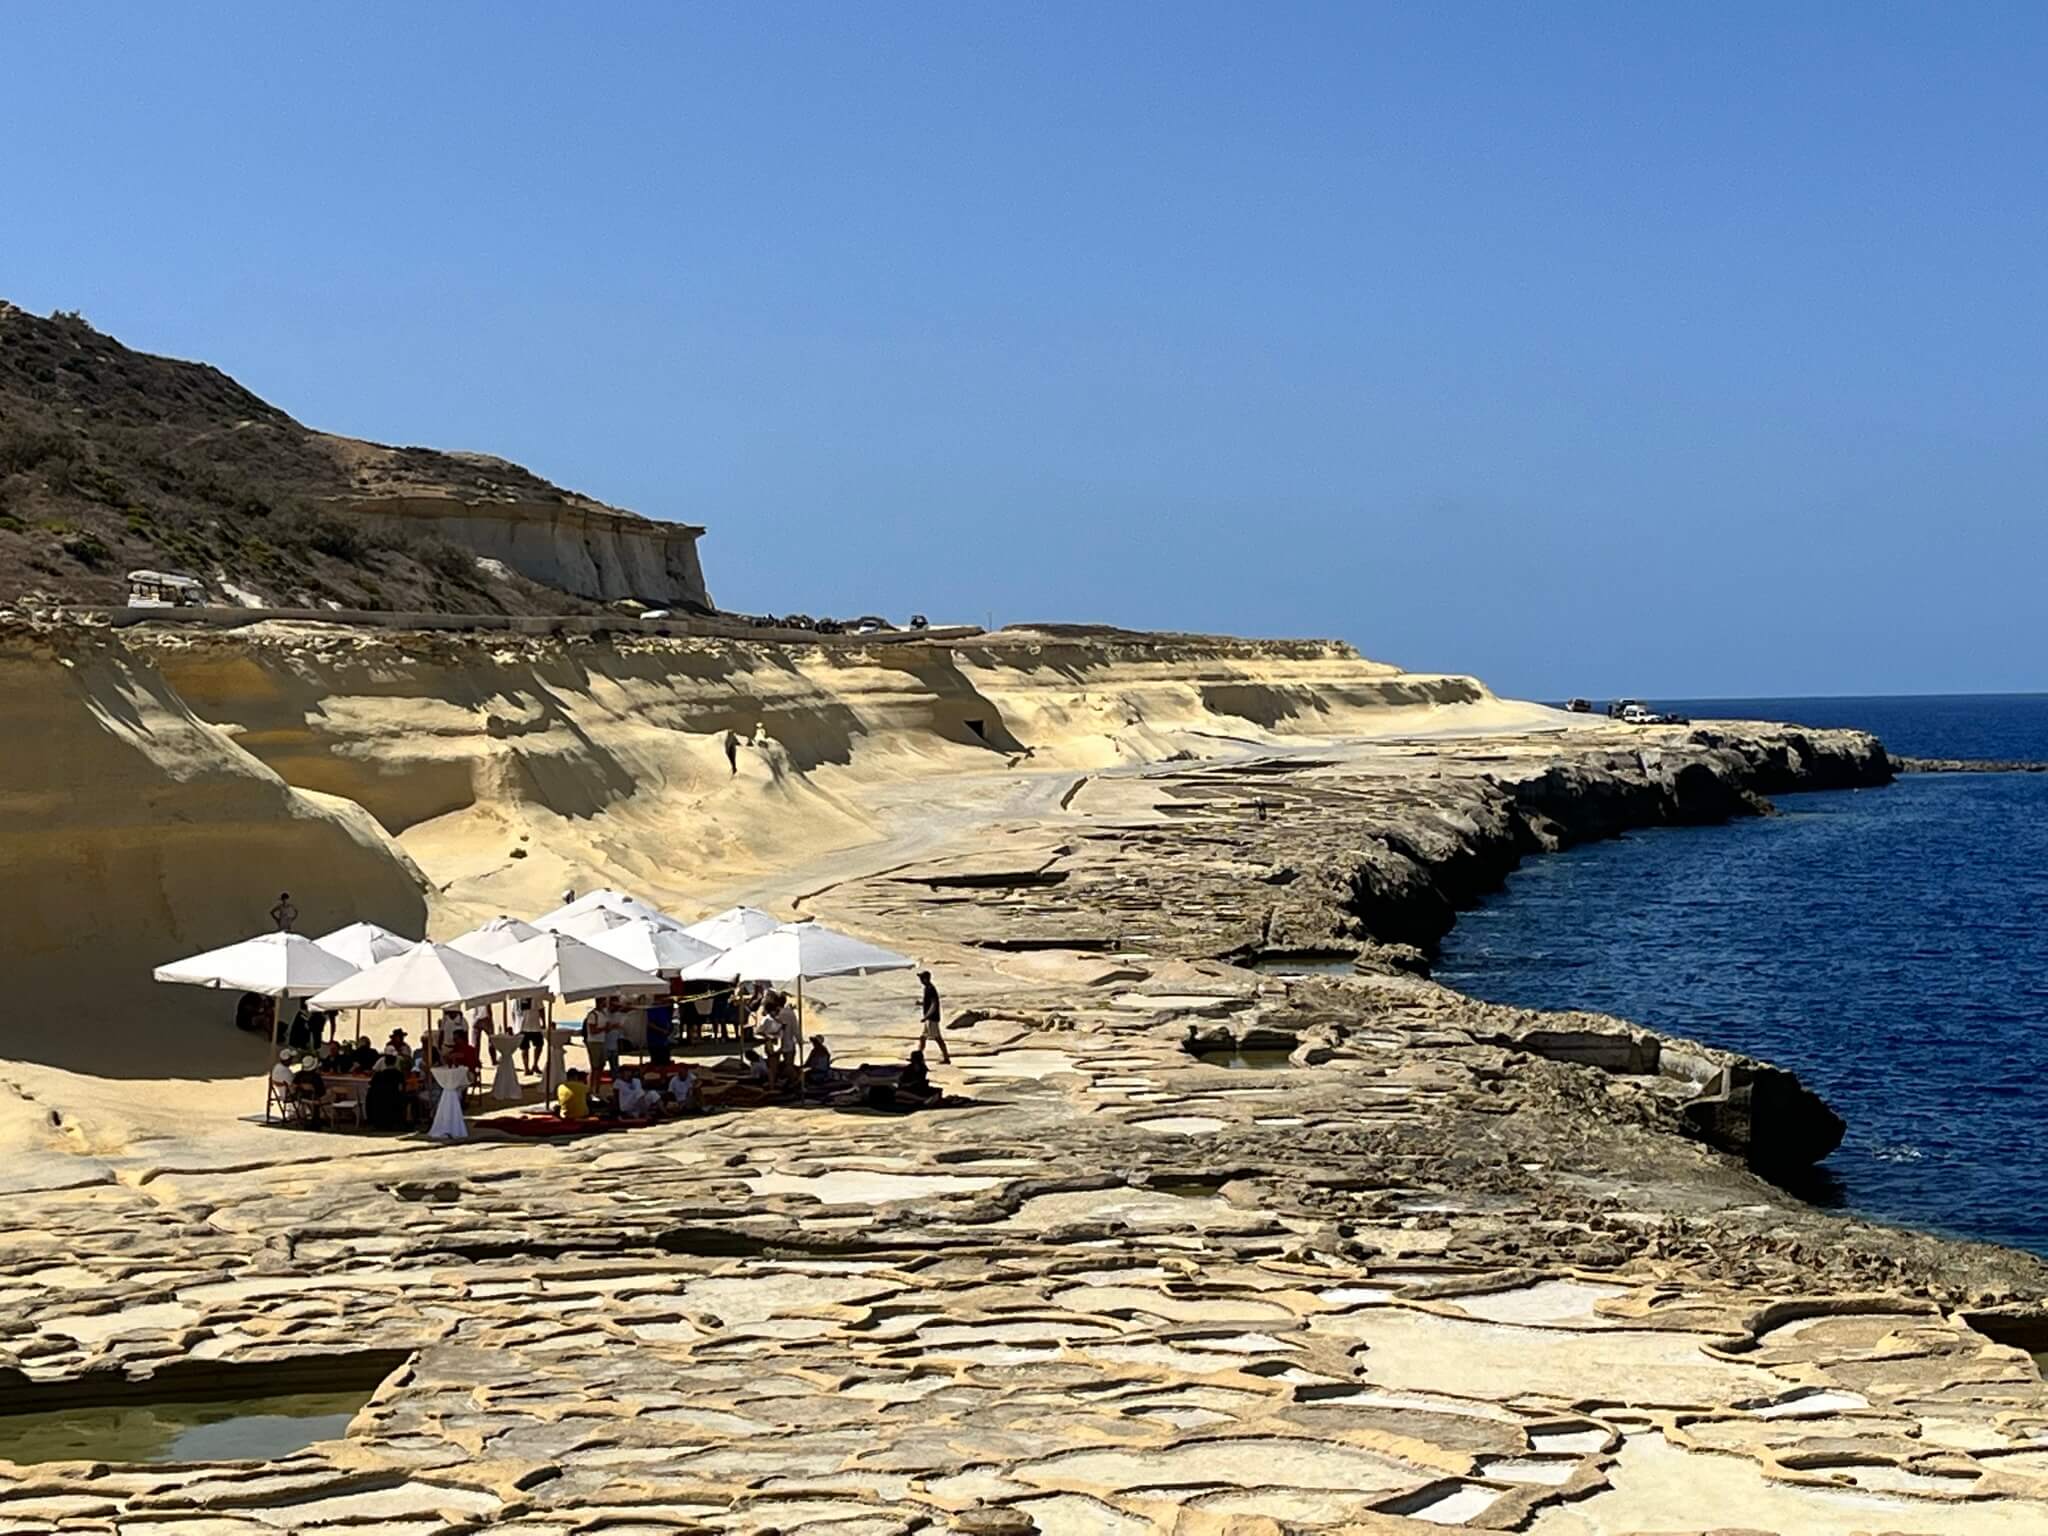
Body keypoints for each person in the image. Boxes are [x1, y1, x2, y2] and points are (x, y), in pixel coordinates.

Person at [365, 1053, 407, 1131]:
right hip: (394, 1103)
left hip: (379, 1104)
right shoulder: (399, 1075)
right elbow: (401, 1089)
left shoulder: (378, 1075)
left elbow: (371, 1086)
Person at [918, 970, 950, 1063]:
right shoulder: (928, 988)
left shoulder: (930, 989)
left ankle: (946, 1058)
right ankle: (919, 1056)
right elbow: (930, 1002)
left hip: (932, 1019)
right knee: (923, 1037)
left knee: (937, 1038)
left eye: (921, 978)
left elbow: (934, 1004)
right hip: (930, 1018)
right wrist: (921, 1003)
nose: (920, 980)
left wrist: (926, 1016)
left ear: (925, 979)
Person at [291, 1055, 327, 1128]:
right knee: (332, 1093)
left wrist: (301, 1087)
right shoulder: (316, 1077)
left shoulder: (299, 1074)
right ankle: (326, 1117)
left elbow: (293, 1086)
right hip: (314, 1099)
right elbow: (321, 1091)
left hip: (301, 1097)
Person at [513, 994, 543, 1072]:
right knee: (525, 1048)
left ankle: (534, 1065)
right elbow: (541, 1009)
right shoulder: (516, 998)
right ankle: (527, 1068)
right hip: (527, 1025)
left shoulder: (535, 995)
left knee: (538, 1045)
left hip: (531, 1026)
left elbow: (541, 1009)